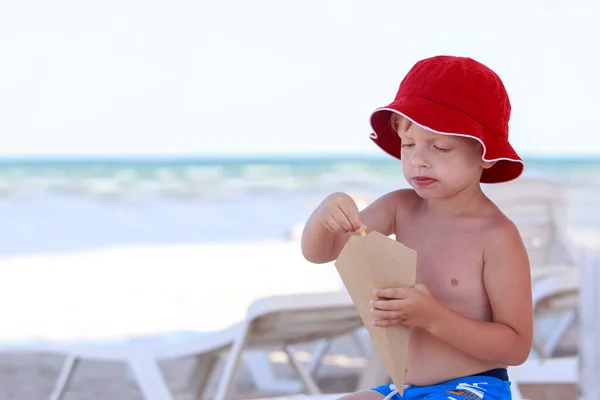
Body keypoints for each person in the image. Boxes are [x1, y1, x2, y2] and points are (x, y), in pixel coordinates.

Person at [301, 55, 533, 399]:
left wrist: (432, 317)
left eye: (440, 147)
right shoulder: (400, 208)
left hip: (474, 388)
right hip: (406, 388)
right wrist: (324, 216)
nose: (418, 160)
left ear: (485, 153)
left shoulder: (496, 236)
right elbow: (323, 253)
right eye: (408, 145)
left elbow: (516, 347)